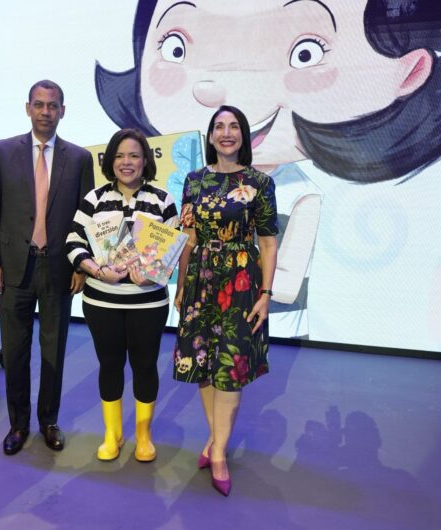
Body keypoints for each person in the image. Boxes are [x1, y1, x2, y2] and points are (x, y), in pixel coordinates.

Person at [96, 0, 441, 340]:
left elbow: (286, 286)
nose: (216, 87)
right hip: (194, 314)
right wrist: (139, 258)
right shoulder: (190, 181)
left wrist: (219, 260)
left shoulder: (297, 194)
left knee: (235, 396)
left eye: (306, 52)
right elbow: (166, 247)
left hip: (262, 326)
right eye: (175, 47)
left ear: (410, 70)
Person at [0, 80, 94, 455]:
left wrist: (81, 265)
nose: (46, 112)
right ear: (28, 108)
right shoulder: (2, 151)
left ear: (63, 111)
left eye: (53, 105)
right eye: (40, 105)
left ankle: (48, 421)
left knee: (53, 352)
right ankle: (17, 424)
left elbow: (85, 218)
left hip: (59, 269)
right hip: (13, 269)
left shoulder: (79, 159)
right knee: (15, 352)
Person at [172, 106, 278, 496]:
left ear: (244, 135)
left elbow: (267, 242)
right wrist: (181, 286)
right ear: (211, 136)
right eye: (219, 126)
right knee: (203, 364)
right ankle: (217, 438)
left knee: (230, 366)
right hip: (200, 280)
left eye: (234, 126)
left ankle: (217, 451)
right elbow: (188, 239)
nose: (226, 133)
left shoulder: (260, 182)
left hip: (241, 282)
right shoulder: (194, 181)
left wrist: (265, 294)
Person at [66, 128, 178, 462]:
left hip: (149, 303)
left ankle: (144, 436)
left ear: (145, 160)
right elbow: (73, 241)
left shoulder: (162, 199)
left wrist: (155, 271)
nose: (126, 162)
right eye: (119, 156)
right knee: (110, 364)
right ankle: (111, 435)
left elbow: (173, 249)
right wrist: (96, 269)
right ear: (110, 161)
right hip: (102, 301)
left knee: (145, 366)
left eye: (134, 155)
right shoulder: (95, 198)